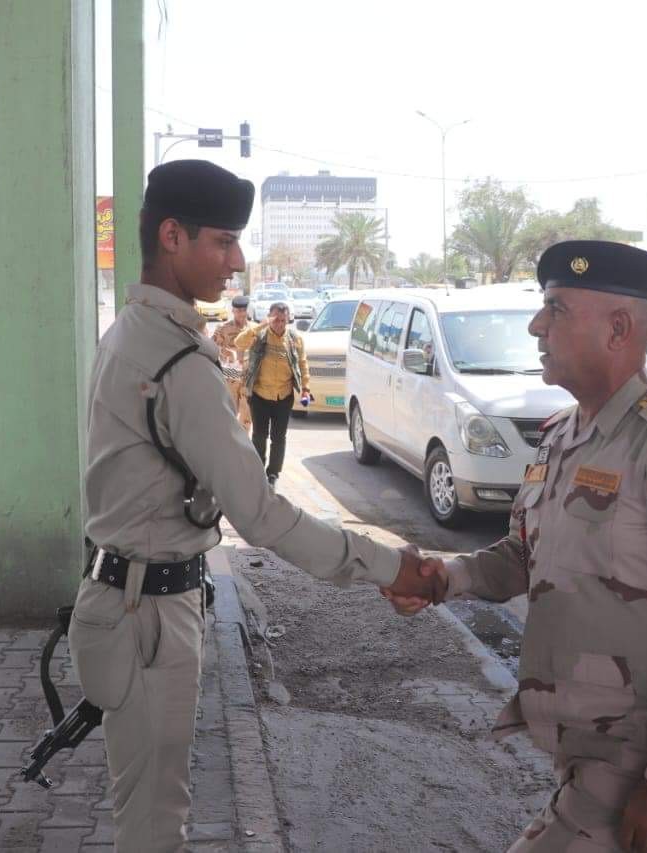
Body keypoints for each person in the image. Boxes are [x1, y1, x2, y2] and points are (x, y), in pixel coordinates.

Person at [70, 159, 441, 853]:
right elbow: (263, 517)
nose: (237, 262)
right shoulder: (178, 364)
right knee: (154, 827)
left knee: (149, 812)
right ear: (172, 237)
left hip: (133, 601)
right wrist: (390, 564)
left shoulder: (131, 332)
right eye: (223, 241)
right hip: (146, 616)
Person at [388, 240, 647, 852]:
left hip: (630, 761)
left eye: (556, 310)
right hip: (575, 742)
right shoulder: (564, 433)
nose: (537, 326)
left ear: (619, 328)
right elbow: (526, 556)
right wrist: (444, 577)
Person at [234, 302, 311, 491]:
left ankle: (273, 473)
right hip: (260, 395)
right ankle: (258, 471)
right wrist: (262, 325)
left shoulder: (294, 339)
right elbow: (238, 343)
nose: (279, 324)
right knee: (259, 436)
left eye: (283, 321)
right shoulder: (258, 335)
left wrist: (306, 388)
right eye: (276, 320)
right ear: (269, 317)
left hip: (283, 397)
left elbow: (302, 363)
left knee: (279, 437)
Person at [210, 294, 253, 431]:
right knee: (229, 412)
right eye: (237, 311)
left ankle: (244, 445)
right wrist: (226, 352)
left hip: (248, 377)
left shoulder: (254, 329)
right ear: (233, 311)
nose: (241, 314)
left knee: (247, 415)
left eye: (243, 310)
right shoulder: (223, 328)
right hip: (230, 377)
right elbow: (212, 347)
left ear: (247, 310)